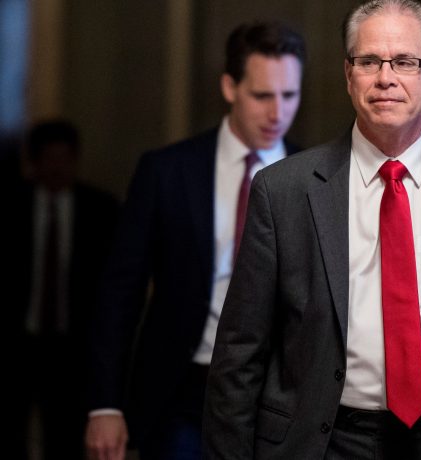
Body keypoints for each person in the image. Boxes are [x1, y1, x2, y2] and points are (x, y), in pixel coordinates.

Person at [203, 1, 421, 459]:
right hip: (324, 441)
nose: (385, 77)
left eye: (405, 62)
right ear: (349, 75)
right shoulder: (283, 191)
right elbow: (239, 355)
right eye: (369, 61)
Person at [84, 21, 306, 460]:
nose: (277, 112)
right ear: (229, 86)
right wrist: (104, 403)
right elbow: (119, 294)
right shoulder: (167, 171)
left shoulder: (314, 176)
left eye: (289, 96)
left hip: (281, 393)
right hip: (183, 389)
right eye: (262, 95)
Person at [0, 119, 119, 460]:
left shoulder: (100, 209)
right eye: (48, 159)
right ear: (34, 162)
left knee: (65, 435)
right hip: (18, 341)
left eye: (63, 158)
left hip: (74, 344)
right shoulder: (10, 205)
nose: (56, 167)